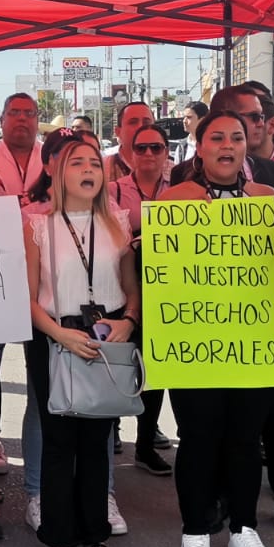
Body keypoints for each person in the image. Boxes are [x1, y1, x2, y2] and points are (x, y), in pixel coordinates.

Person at [159, 111, 274, 547]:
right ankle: (195, 533)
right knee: (199, 438)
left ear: (249, 145)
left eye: (237, 137)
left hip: (254, 341)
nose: (227, 145)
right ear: (199, 146)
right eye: (217, 137)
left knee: (246, 441)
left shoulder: (269, 199)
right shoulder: (175, 200)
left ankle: (243, 530)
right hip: (194, 342)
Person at [23, 134, 140, 547]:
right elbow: (29, 298)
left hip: (107, 333)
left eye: (95, 162)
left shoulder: (119, 223)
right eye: (77, 163)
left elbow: (132, 289)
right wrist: (60, 335)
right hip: (55, 335)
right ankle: (59, 539)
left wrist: (129, 321)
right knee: (58, 441)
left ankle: (96, 534)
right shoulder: (37, 225)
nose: (89, 170)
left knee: (98, 440)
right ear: (58, 172)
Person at [110, 120, 174, 475]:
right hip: (124, 291)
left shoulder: (182, 188)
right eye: (141, 147)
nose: (149, 154)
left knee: (156, 370)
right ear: (129, 153)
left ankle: (146, 444)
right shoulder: (113, 191)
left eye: (156, 147)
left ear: (166, 152)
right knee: (121, 364)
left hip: (168, 291)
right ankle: (115, 430)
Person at [0, 93, 43, 204]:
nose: (22, 118)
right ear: (2, 120)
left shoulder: (52, 155)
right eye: (14, 112)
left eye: (29, 113)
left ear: (37, 122)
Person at [107, 101, 154, 180]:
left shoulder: (170, 170)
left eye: (146, 122)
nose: (140, 127)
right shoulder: (103, 169)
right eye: (133, 122)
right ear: (118, 131)